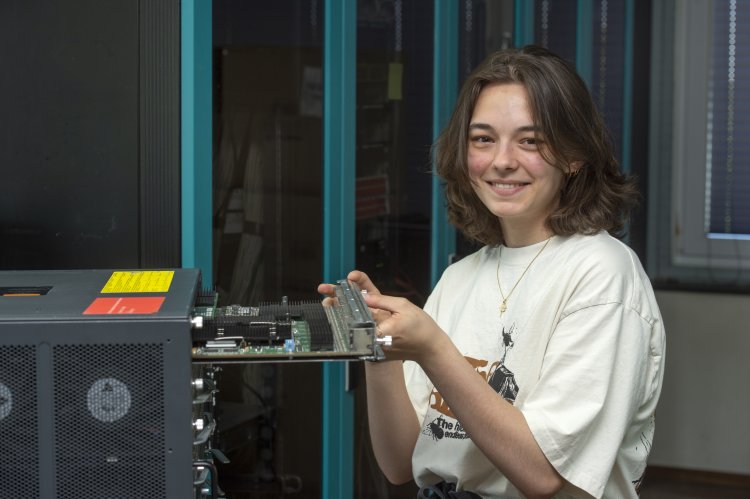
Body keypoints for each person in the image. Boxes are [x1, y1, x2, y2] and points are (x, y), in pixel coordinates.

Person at [319, 45, 665, 499]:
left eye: (530, 141)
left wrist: (433, 349)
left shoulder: (602, 272)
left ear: (574, 155)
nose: (502, 160)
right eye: (483, 139)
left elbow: (543, 475)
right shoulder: (460, 277)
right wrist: (379, 350)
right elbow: (400, 464)